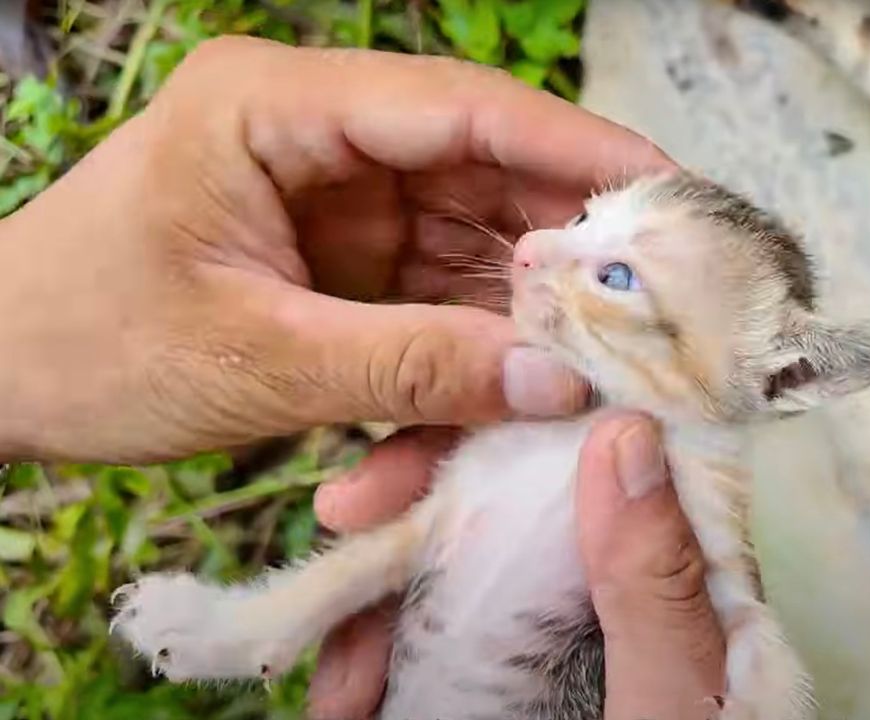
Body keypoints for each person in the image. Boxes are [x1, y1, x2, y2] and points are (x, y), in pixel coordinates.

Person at [0, 36, 726, 719]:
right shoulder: (529, 428)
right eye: (587, 212)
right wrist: (255, 626)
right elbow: (403, 544)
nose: (535, 245)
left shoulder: (687, 473)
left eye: (617, 272)